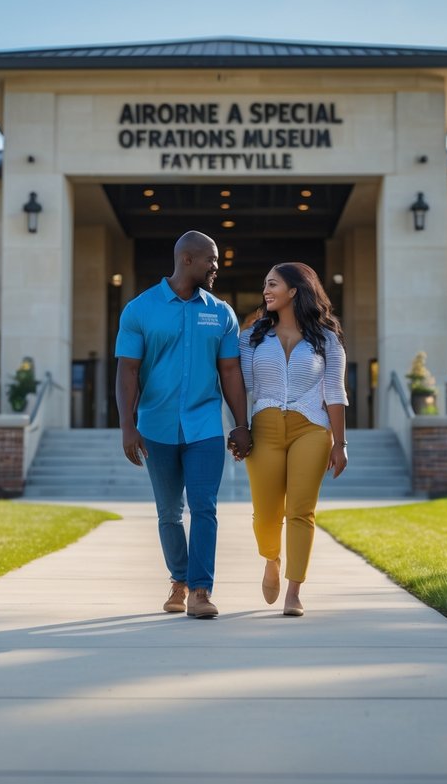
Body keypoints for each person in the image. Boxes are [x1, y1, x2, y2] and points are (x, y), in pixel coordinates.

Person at [115, 231, 252, 619]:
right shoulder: (140, 310)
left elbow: (230, 371)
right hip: (156, 426)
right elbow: (128, 370)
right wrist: (128, 425)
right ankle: (179, 580)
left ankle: (201, 591)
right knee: (169, 513)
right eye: (211, 259)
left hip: (205, 425)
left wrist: (241, 424)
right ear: (188, 259)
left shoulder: (222, 313)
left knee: (204, 508)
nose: (216, 267)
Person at [237, 262, 348, 617]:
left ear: (294, 291)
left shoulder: (327, 339)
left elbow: (335, 391)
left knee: (300, 511)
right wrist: (239, 428)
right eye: (265, 285)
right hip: (265, 427)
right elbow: (240, 387)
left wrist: (340, 443)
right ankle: (271, 559)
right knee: (266, 515)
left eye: (273, 285)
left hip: (312, 429)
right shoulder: (251, 337)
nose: (266, 291)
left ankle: (294, 591)